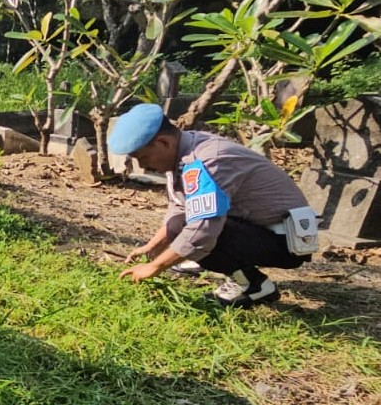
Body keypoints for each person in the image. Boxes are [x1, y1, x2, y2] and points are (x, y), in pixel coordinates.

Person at [111, 103, 318, 307]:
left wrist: (155, 267)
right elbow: (181, 207)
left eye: (143, 157)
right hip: (258, 228)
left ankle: (253, 286)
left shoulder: (208, 160)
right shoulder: (184, 153)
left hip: (285, 242)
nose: (142, 165)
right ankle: (239, 273)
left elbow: (202, 230)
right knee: (178, 227)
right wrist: (152, 247)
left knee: (198, 237)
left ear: (163, 143)